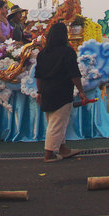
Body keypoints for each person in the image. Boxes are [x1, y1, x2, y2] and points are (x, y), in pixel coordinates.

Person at [34, 20, 82, 161]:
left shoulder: (43, 54)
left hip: (46, 91)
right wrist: (81, 91)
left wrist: (39, 92)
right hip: (62, 91)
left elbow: (38, 75)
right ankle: (49, 154)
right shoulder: (67, 52)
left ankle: (63, 149)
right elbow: (74, 74)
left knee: (55, 122)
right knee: (57, 124)